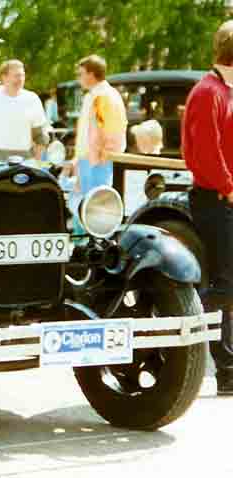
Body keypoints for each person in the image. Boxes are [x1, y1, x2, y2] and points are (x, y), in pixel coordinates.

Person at [182, 20, 233, 396]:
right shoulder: (208, 92)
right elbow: (205, 153)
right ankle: (227, 368)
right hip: (217, 199)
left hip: (225, 197)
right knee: (225, 283)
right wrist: (229, 188)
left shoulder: (224, 90)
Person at [69, 55, 127, 218]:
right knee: (89, 207)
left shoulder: (103, 96)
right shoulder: (97, 95)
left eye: (80, 74)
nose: (78, 78)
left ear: (90, 74)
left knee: (96, 209)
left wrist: (102, 155)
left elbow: (111, 130)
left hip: (97, 161)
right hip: (90, 160)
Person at [0, 59, 50, 162]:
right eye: (17, 76)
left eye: (23, 75)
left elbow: (40, 136)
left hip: (24, 158)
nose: (21, 79)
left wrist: (37, 162)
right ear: (4, 77)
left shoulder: (32, 99)